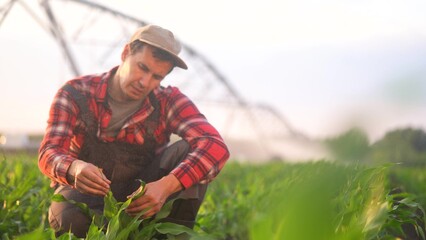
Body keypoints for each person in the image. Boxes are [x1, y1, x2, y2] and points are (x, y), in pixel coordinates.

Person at [38, 24, 230, 238]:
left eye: (157, 77)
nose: (145, 82)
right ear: (125, 53)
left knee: (189, 149)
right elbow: (49, 152)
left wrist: (166, 186)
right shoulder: (75, 93)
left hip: (142, 199)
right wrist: (74, 168)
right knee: (69, 218)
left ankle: (166, 235)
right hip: (86, 194)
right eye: (142, 67)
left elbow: (215, 146)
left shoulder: (167, 101)